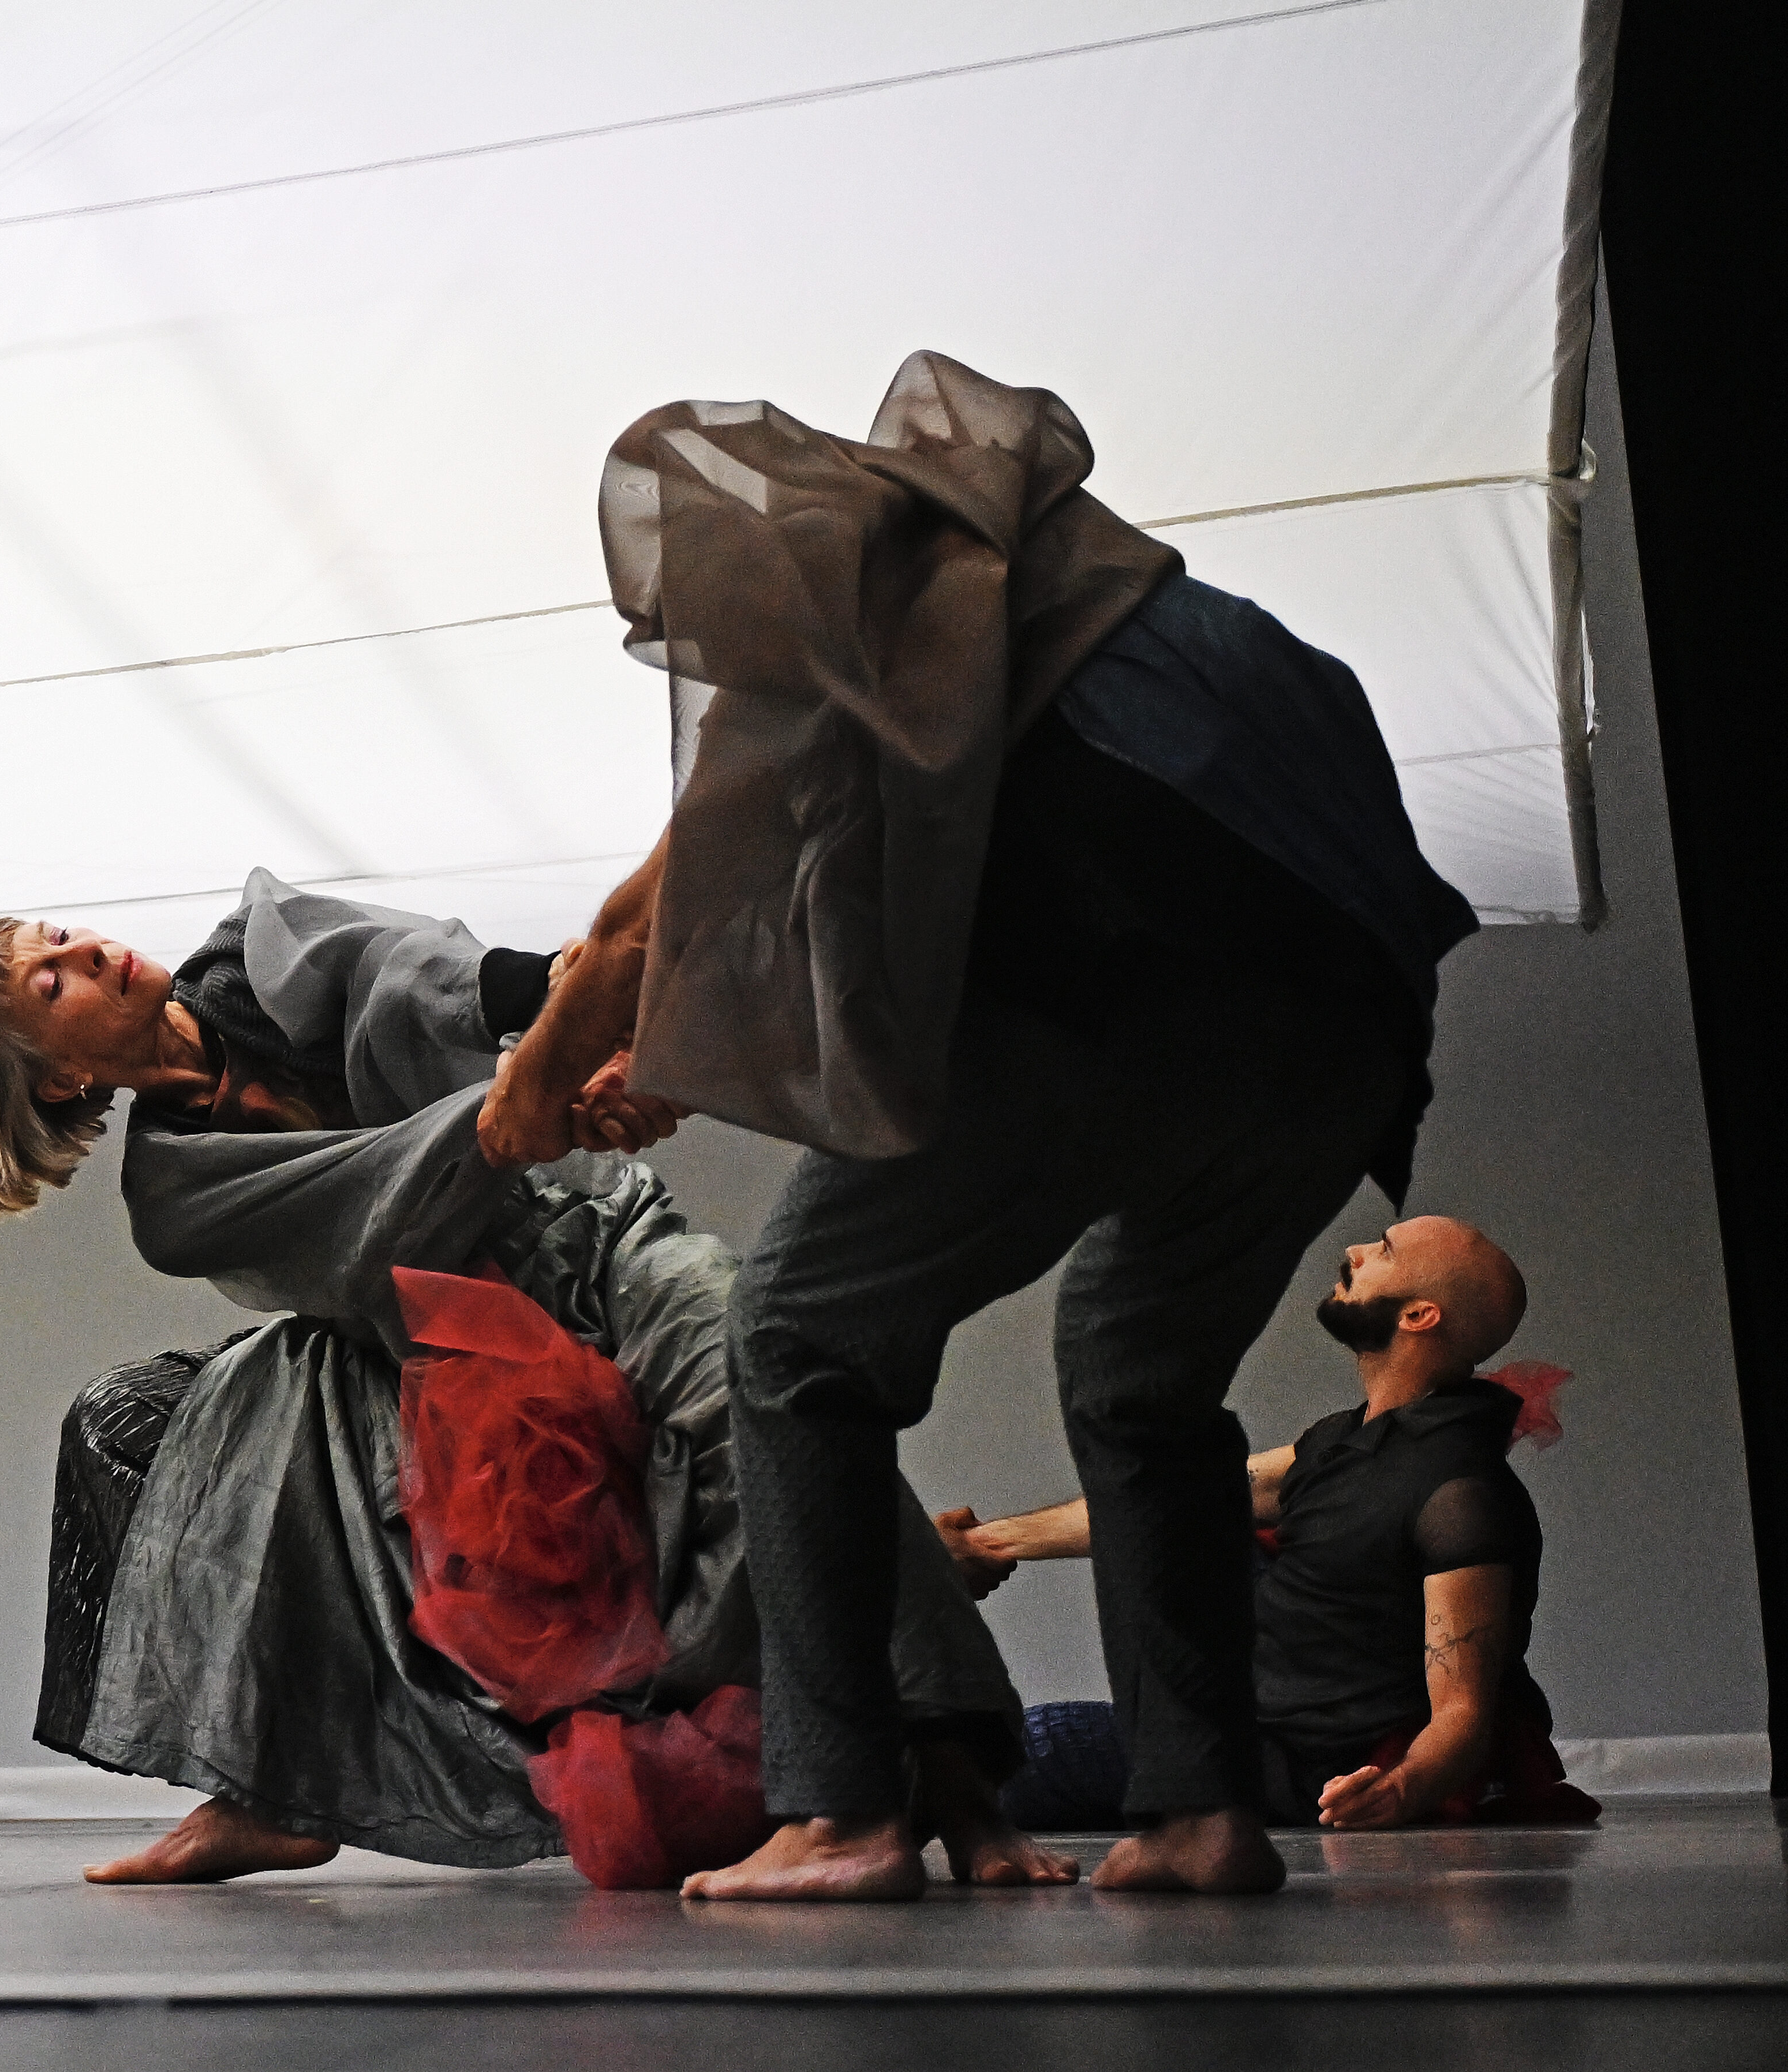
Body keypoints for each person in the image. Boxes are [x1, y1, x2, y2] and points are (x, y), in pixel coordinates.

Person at [481, 354, 1480, 1898]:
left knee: (796, 1329)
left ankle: (840, 1811)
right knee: (1139, 1375)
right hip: (1339, 1033)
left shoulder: (882, 607)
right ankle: (1200, 1809)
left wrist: (535, 1078)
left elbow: (650, 912)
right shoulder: (1074, 580)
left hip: (1133, 989)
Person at [0, 875, 1057, 1888]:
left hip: (590, 1238)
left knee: (761, 1378)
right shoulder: (174, 1196)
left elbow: (396, 976)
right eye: (50, 986)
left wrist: (557, 1004)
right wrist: (532, 1101)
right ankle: (268, 1789)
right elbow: (373, 1211)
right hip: (451, 1352)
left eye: (58, 935)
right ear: (60, 1074)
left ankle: (961, 1785)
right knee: (203, 1432)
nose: (83, 953)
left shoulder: (248, 951)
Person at [946, 1215, 1595, 1830]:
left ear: (1419, 1316)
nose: (1356, 1251)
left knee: (1010, 1751)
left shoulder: (1460, 1492)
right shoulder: (1342, 1443)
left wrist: (1401, 1787)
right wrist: (979, 1544)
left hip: (1298, 1763)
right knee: (1202, 1520)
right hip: (1245, 1716)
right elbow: (1167, 1501)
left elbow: (1464, 1707)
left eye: (1384, 1252)